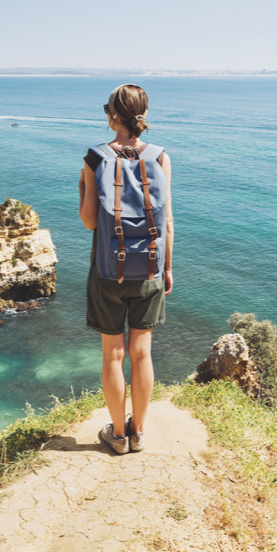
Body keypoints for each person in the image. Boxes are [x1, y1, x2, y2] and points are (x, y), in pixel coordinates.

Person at [78, 84, 173, 454]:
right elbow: (166, 221)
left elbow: (88, 221)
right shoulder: (161, 156)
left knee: (113, 355)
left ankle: (117, 435)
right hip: (149, 267)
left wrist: (86, 193)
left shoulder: (94, 157)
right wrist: (166, 268)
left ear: (111, 116)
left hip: (106, 270)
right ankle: (139, 432)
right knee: (141, 353)